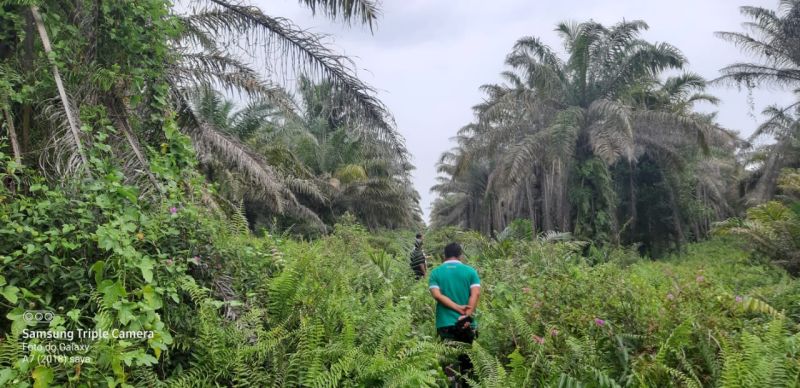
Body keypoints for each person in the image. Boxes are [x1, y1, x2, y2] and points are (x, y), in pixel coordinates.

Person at [428, 242, 481, 383]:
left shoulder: (435, 273)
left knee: (448, 361)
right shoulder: (470, 272)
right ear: (460, 255)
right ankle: (466, 384)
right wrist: (466, 313)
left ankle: (451, 384)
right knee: (467, 361)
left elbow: (437, 295)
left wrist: (456, 307)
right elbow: (475, 294)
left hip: (444, 323)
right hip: (466, 324)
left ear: (444, 256)